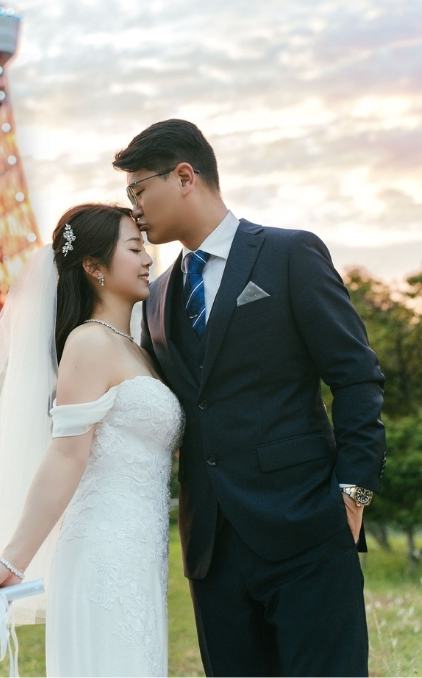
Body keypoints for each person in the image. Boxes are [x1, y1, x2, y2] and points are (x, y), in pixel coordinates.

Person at [114, 119, 386, 676]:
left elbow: (356, 376)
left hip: (308, 526)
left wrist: (353, 492)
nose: (134, 208)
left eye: (139, 189)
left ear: (185, 175)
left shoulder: (289, 254)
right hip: (211, 547)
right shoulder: (159, 294)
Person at [0, 203, 182, 676]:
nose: (148, 259)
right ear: (94, 266)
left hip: (141, 554)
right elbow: (65, 456)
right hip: (103, 555)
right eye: (135, 248)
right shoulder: (88, 343)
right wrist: (11, 560)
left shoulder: (137, 349)